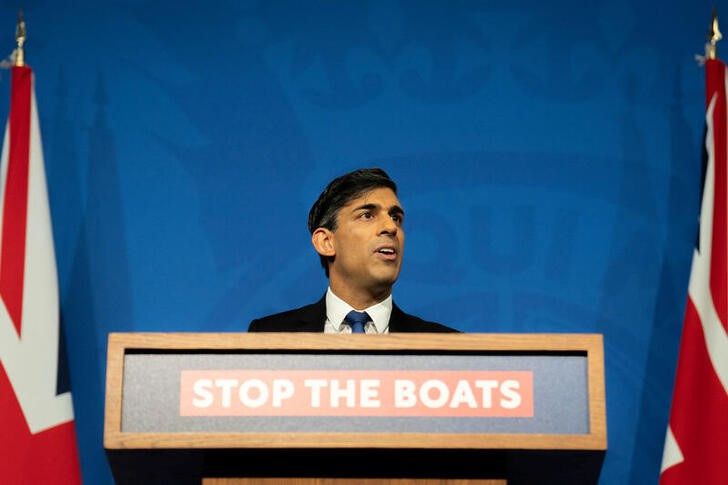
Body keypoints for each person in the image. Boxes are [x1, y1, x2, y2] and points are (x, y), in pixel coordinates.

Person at [248, 168, 456, 333]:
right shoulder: (271, 334)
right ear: (326, 242)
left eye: (396, 218)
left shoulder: (449, 349)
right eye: (367, 215)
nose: (391, 227)